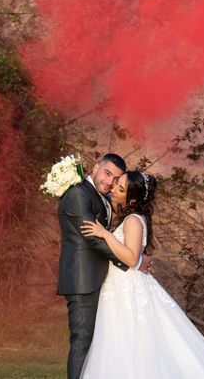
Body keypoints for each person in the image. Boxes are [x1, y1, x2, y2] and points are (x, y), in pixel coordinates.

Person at [80, 171, 204, 378]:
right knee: (119, 340)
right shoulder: (129, 217)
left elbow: (132, 259)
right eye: (116, 185)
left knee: (131, 339)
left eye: (120, 189)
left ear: (132, 199)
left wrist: (105, 234)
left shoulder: (132, 220)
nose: (113, 189)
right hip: (118, 285)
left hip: (127, 286)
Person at [56, 153, 129, 379]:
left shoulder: (102, 197)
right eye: (107, 173)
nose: (110, 182)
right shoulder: (78, 194)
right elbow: (93, 238)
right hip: (82, 279)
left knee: (97, 341)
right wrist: (129, 261)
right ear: (95, 168)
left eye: (116, 179)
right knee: (82, 340)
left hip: (99, 278)